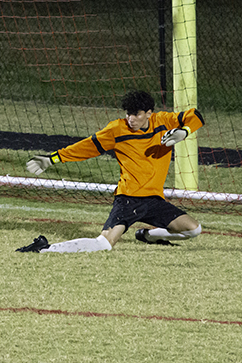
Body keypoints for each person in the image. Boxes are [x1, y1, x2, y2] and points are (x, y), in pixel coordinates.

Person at [17, 89, 204, 253]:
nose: (131, 119)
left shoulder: (163, 121)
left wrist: (185, 131)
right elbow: (86, 147)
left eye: (136, 114)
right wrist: (52, 158)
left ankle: (148, 236)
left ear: (149, 113)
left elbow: (195, 116)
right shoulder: (117, 130)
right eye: (128, 114)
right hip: (129, 199)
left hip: (155, 200)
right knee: (104, 244)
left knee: (194, 229)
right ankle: (44, 248)